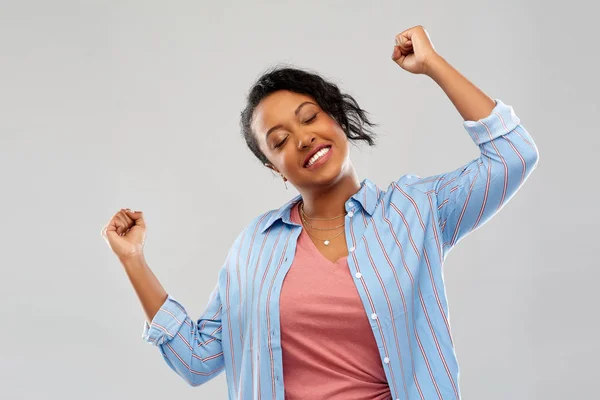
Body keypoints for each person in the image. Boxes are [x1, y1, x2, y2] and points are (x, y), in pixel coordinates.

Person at [101, 25, 539, 400]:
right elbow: (197, 360)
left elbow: (512, 154)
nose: (303, 138)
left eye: (309, 117)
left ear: (337, 119)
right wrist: (133, 260)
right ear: (276, 170)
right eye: (279, 140)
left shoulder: (415, 211)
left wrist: (433, 64)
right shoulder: (255, 246)